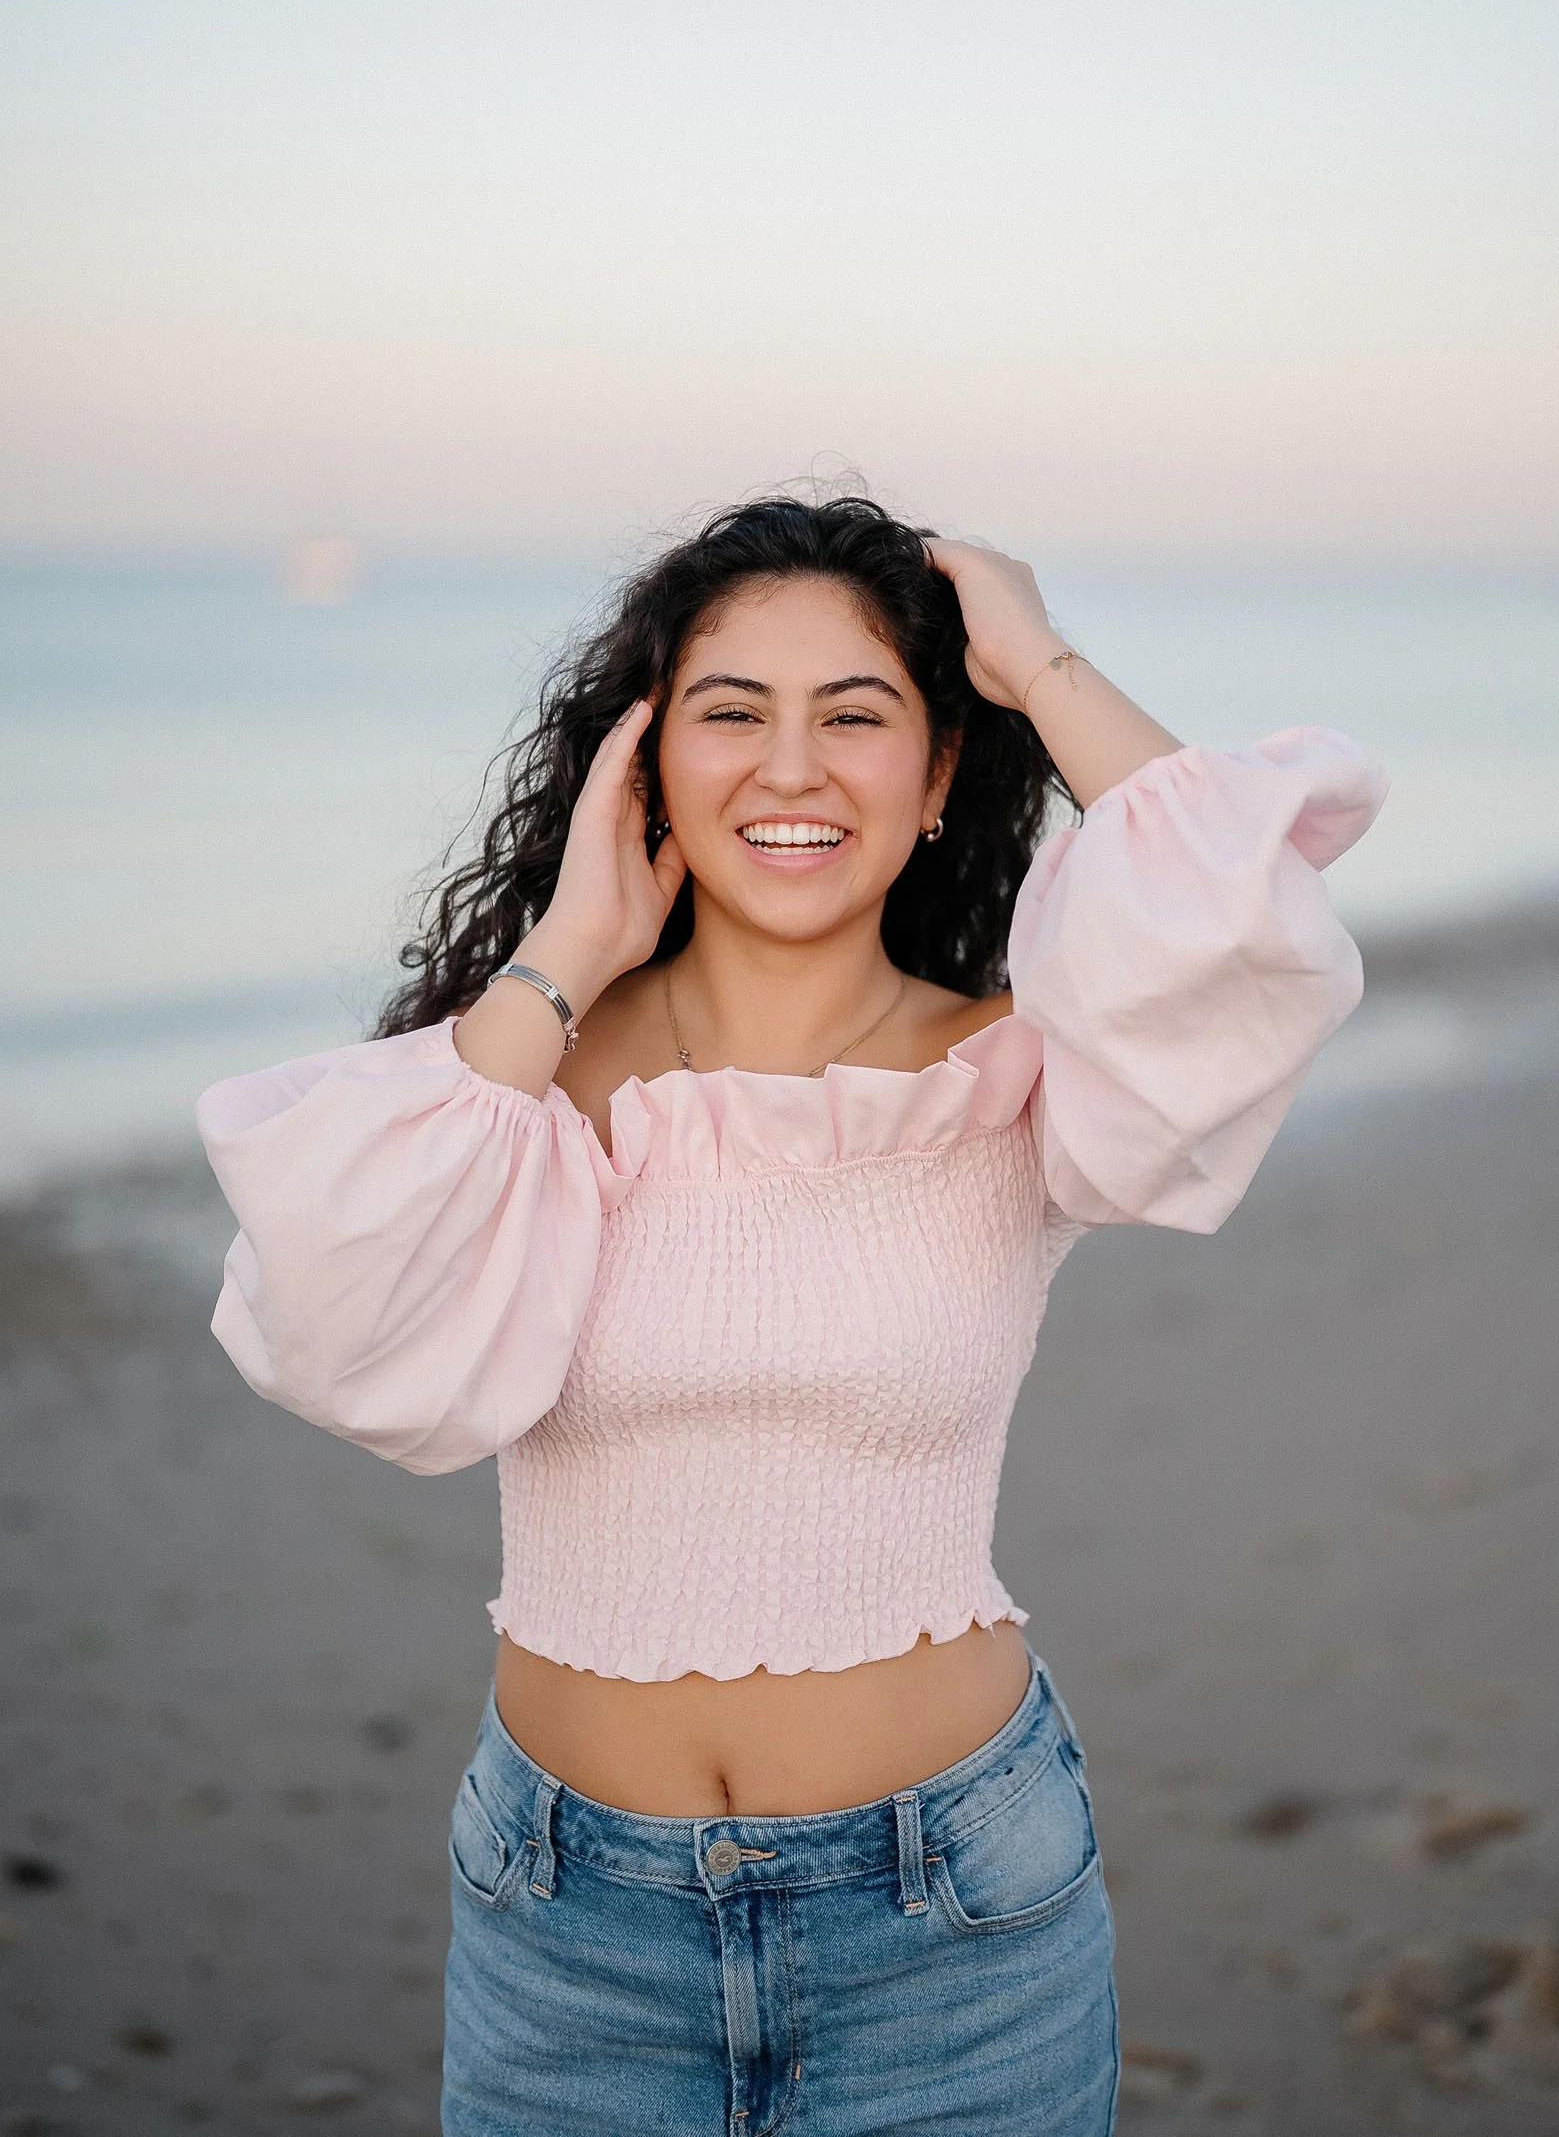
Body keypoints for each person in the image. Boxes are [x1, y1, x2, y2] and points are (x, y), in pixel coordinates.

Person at [197, 494, 1386, 2136]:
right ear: (643, 761)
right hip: (565, 1923)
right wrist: (561, 956)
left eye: (857, 715)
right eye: (729, 714)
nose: (791, 768)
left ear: (941, 771)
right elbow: (331, 1334)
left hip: (952, 1915)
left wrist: (1035, 659)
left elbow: (1240, 915)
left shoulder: (1024, 1071)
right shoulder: (514, 1088)